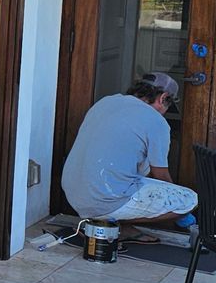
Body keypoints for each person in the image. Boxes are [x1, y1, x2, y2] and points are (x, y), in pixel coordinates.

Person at [60, 72, 195, 243]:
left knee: (133, 165)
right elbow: (160, 174)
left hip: (73, 193)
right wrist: (181, 214)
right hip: (103, 199)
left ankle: (118, 226)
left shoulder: (105, 102)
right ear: (163, 98)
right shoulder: (156, 121)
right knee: (188, 199)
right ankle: (108, 222)